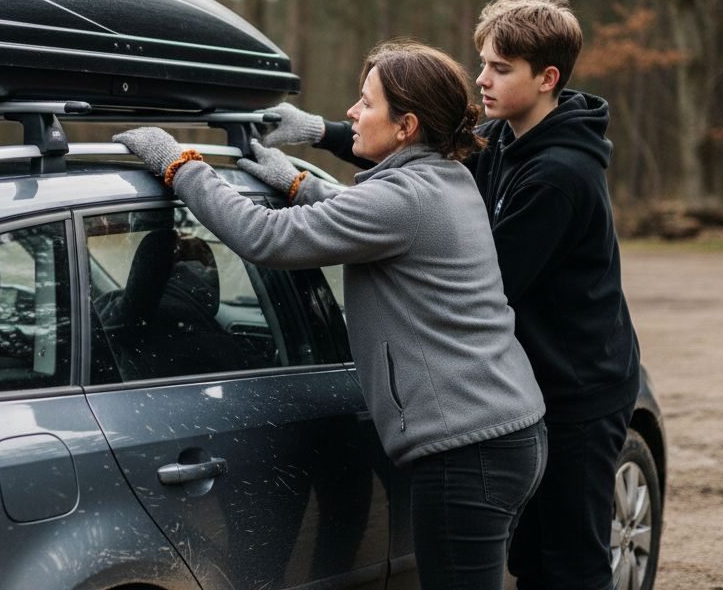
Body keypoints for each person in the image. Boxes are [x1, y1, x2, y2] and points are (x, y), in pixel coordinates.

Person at [115, 40, 547, 590]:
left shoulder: (405, 199)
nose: (350, 113)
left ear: (406, 126)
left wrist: (180, 165)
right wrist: (301, 186)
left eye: (366, 104)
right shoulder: (445, 176)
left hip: (468, 450)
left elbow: (264, 237)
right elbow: (368, 216)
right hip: (506, 428)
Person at [264, 0, 641, 590]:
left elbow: (481, 269)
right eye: (482, 62)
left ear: (547, 79)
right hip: (525, 384)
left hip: (577, 392)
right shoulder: (505, 138)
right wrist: (320, 132)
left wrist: (348, 215)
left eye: (500, 68)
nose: (481, 80)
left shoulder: (560, 175)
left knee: (569, 562)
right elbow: (425, 154)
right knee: (532, 561)